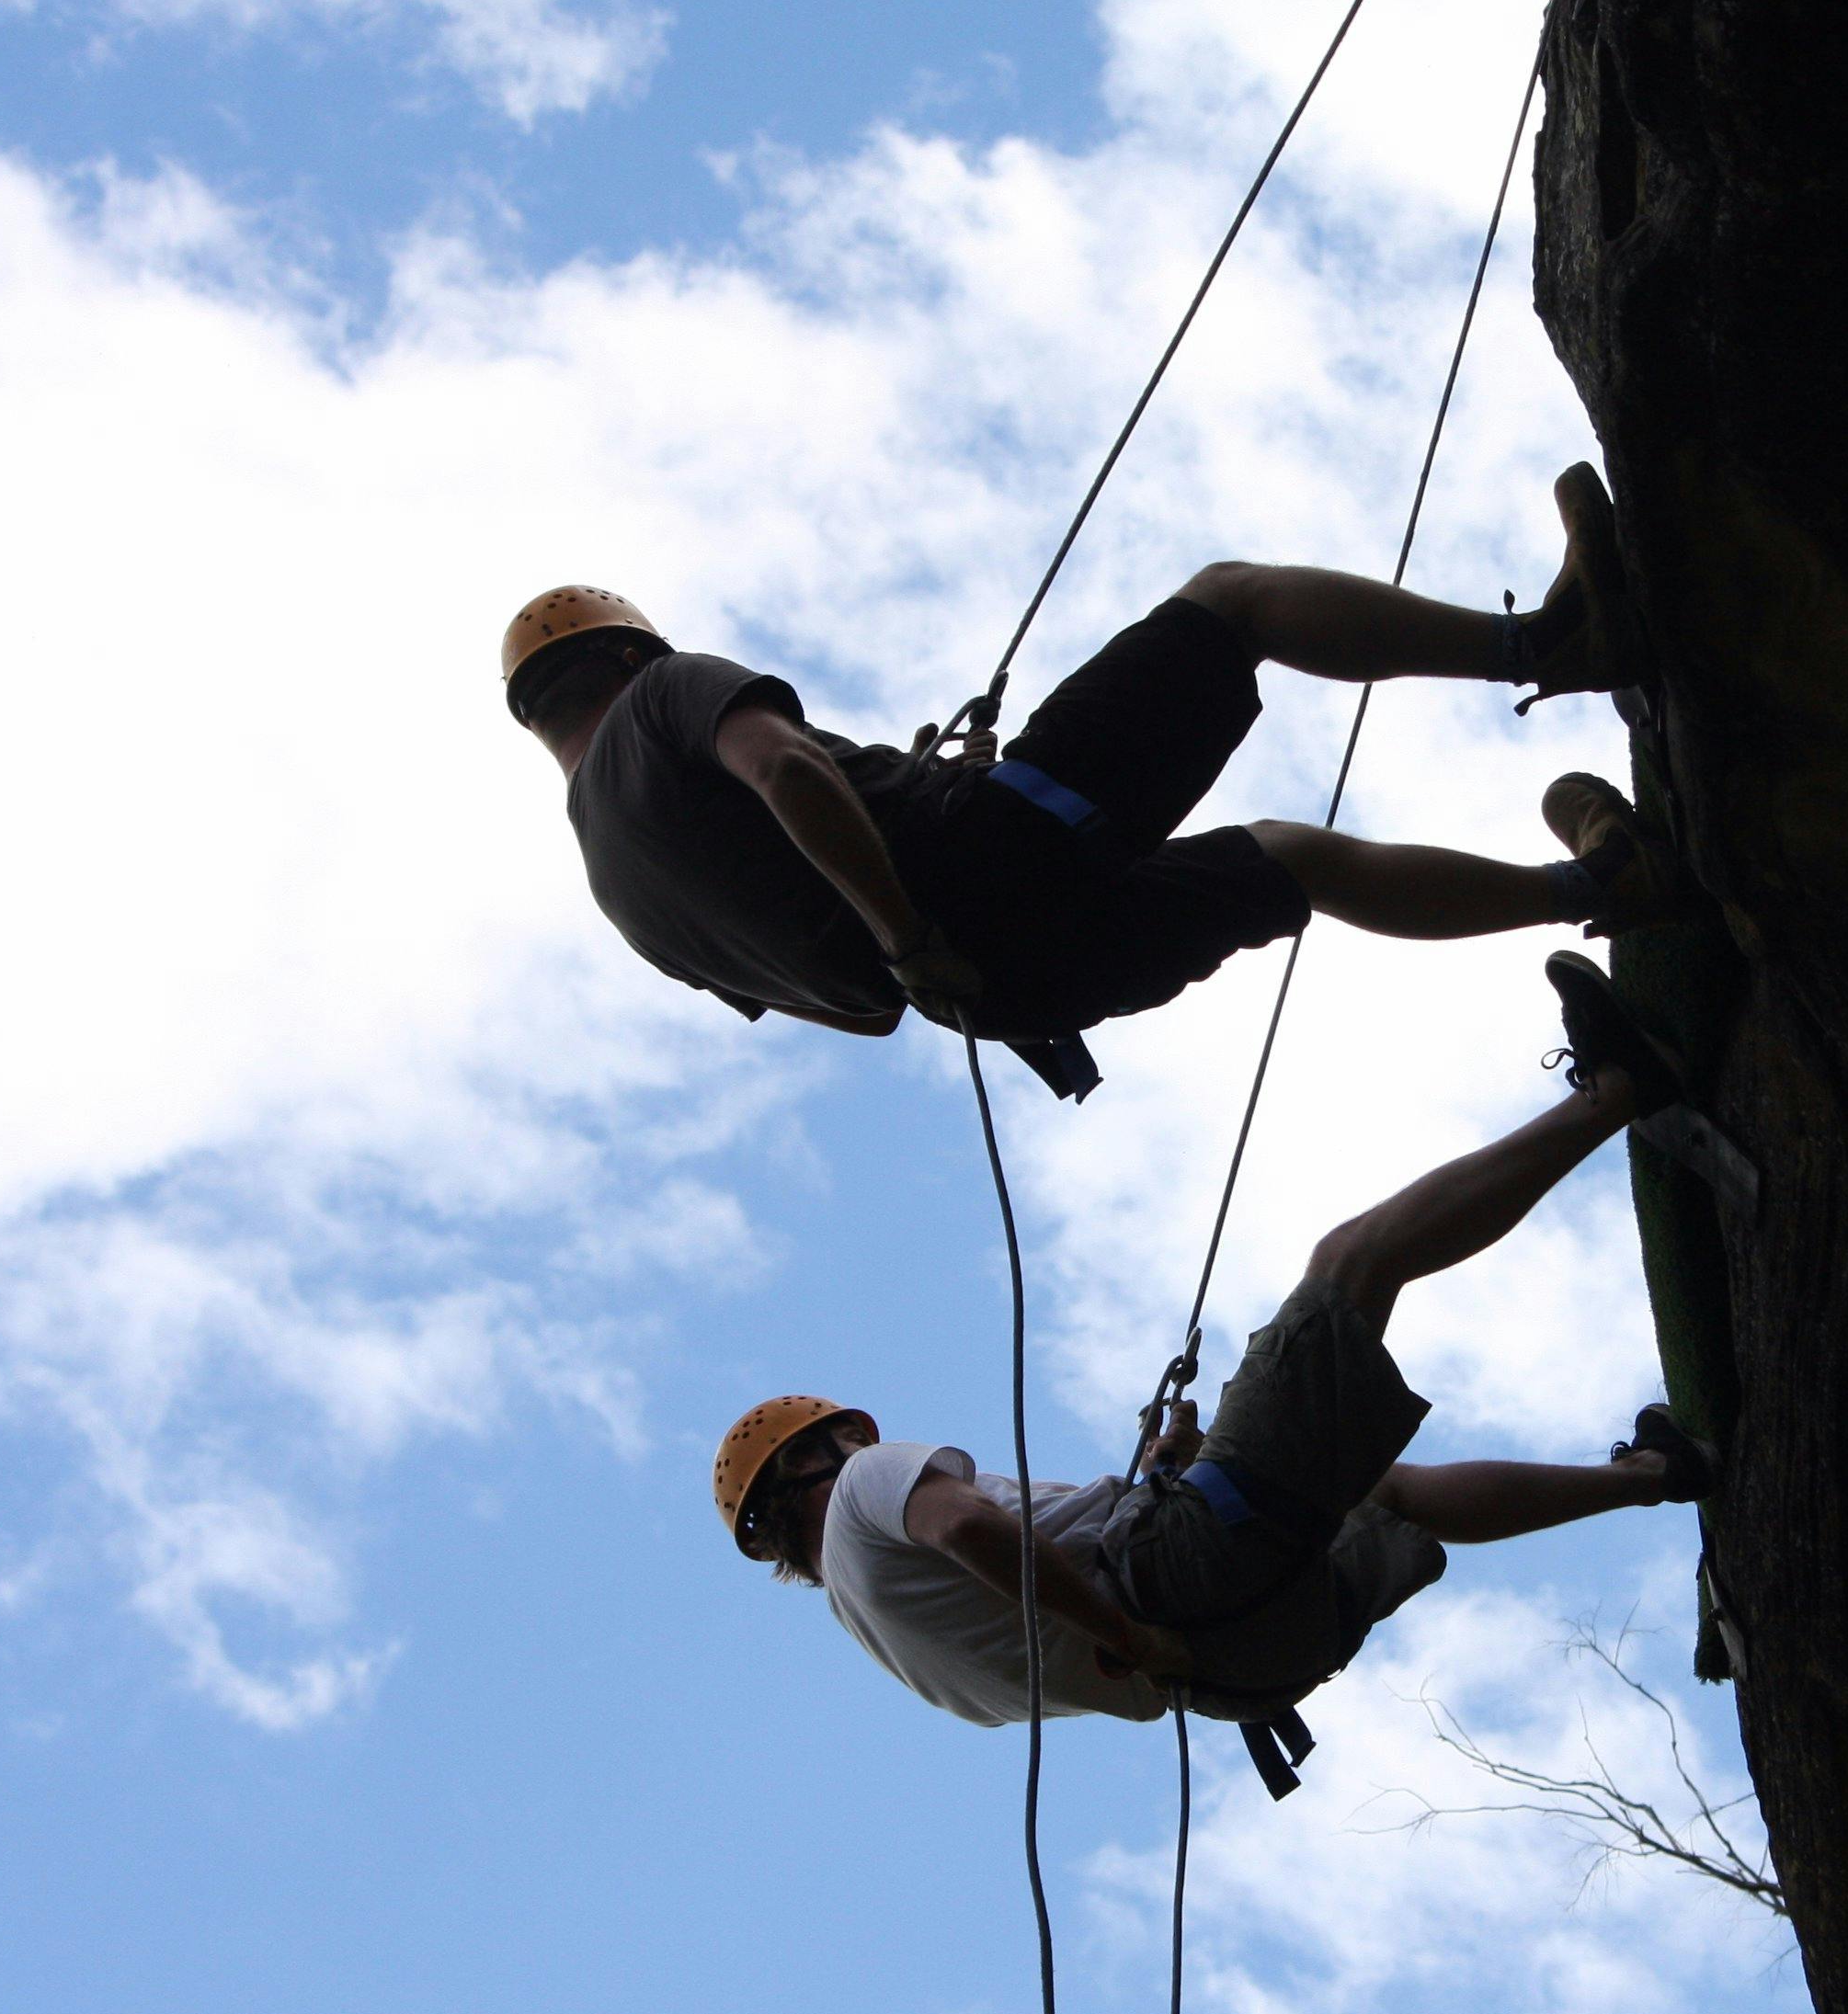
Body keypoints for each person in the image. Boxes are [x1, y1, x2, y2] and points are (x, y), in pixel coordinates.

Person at [709, 955, 1715, 1757]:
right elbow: (972, 1527)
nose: (861, 1442)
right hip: (1171, 1590)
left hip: (1246, 1671)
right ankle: (1623, 1088)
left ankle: (1656, 1476)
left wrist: (1161, 1481)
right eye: (842, 1436)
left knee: (1384, 1494)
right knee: (1350, 1267)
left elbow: (1056, 1635)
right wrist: (1129, 1622)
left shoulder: (888, 1639)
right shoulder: (866, 1493)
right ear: (814, 1456)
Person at [508, 465, 1675, 1097]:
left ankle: (1601, 886)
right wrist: (912, 905)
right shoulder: (663, 698)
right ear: (629, 653)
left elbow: (858, 1013)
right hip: (982, 868)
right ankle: (1553, 646)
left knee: (1292, 863)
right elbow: (787, 768)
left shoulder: (624, 898)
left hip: (1007, 991)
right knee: (1232, 602)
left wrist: (914, 943)